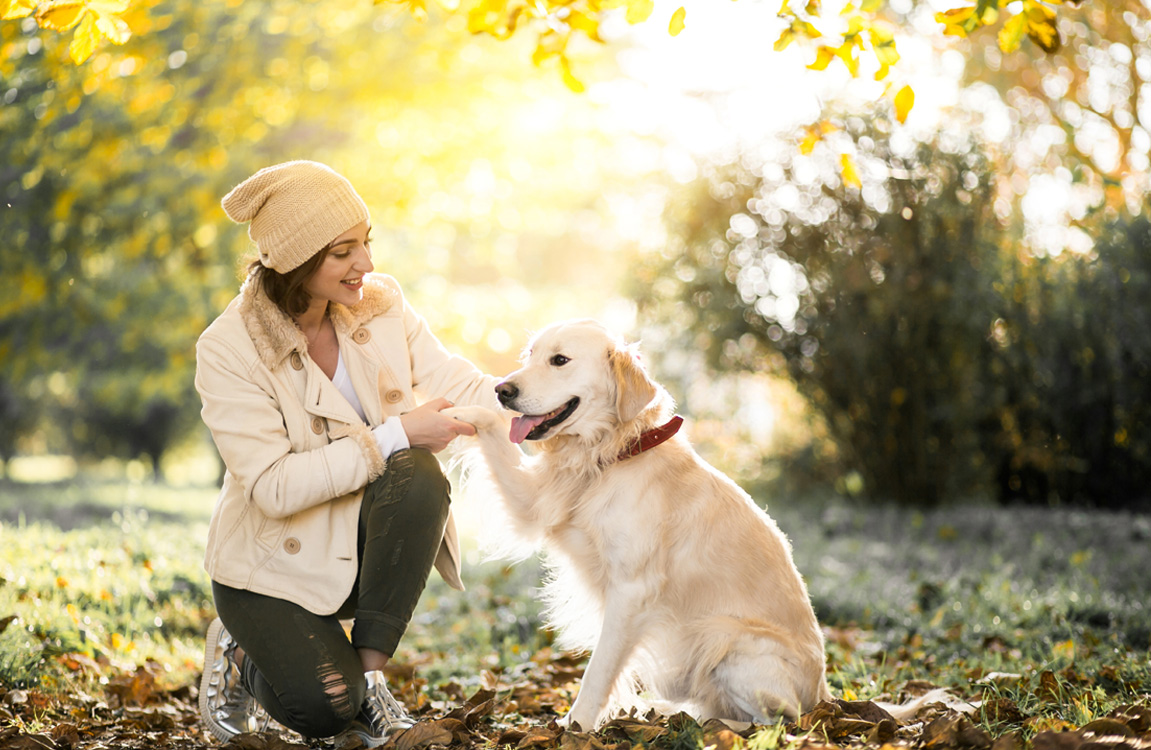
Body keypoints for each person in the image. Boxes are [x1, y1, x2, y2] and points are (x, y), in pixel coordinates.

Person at [194, 160, 498, 746]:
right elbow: (274, 487)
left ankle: (373, 682)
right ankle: (239, 651)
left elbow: (455, 380)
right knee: (326, 709)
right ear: (295, 258)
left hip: (357, 544)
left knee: (418, 476)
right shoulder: (228, 348)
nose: (368, 265)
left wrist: (544, 410)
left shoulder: (380, 306)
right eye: (344, 251)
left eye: (367, 243)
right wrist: (396, 432)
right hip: (267, 567)